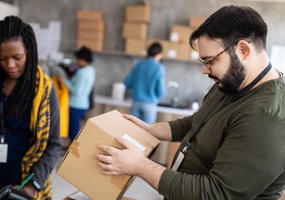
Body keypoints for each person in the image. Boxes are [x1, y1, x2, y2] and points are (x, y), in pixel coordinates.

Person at [95, 5, 285, 199]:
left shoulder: (267, 117)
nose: (205, 71)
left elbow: (217, 194)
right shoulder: (233, 83)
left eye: (210, 61)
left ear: (243, 50)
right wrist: (152, 130)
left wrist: (140, 166)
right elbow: (200, 122)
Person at [0, 16, 61, 199]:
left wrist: (33, 186)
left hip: (22, 184)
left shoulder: (45, 90)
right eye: (2, 58)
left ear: (29, 52)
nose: (10, 65)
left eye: (17, 58)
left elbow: (53, 145)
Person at [124, 42, 166, 123]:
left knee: (133, 130)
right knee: (147, 132)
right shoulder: (159, 67)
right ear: (159, 54)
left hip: (136, 103)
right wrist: (156, 97)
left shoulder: (139, 65)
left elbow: (127, 82)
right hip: (150, 105)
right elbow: (161, 91)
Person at [63, 46, 95, 142]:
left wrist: (63, 80)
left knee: (73, 132)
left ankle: (73, 153)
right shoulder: (91, 70)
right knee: (78, 131)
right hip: (84, 105)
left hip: (75, 105)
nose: (76, 61)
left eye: (78, 59)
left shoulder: (82, 72)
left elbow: (76, 91)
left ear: (83, 59)